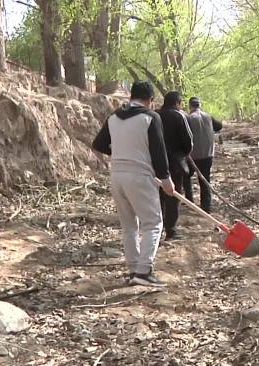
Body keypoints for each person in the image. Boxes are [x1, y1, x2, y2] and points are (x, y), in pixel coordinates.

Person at [91, 80, 173, 287]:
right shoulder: (150, 117)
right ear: (150, 100)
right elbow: (158, 151)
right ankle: (144, 271)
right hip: (140, 176)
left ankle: (134, 269)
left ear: (131, 96)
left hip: (117, 176)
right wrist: (166, 179)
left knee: (129, 226)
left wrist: (120, 153)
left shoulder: (114, 117)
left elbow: (98, 144)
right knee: (153, 224)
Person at [157, 91, 194, 241]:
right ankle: (170, 230)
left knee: (158, 197)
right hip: (175, 163)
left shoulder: (154, 115)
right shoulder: (179, 116)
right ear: (178, 103)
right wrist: (183, 154)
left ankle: (156, 230)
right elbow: (188, 142)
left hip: (155, 163)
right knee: (173, 196)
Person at [184, 96, 222, 213]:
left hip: (193, 156)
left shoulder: (189, 118)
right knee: (205, 180)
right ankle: (206, 207)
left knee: (186, 176)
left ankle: (190, 202)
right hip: (208, 154)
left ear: (190, 106)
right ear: (200, 105)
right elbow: (219, 126)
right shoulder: (208, 117)